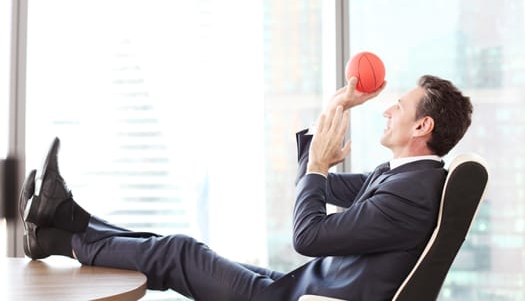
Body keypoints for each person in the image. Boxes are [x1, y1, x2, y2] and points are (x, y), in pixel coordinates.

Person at [19, 74, 472, 301]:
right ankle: (59, 226)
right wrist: (333, 110)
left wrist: (316, 167)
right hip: (300, 287)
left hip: (296, 299)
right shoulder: (404, 178)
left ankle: (61, 231)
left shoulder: (410, 193)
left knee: (179, 251)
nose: (388, 108)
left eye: (401, 104)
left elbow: (308, 236)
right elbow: (316, 183)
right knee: (171, 248)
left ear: (423, 125)